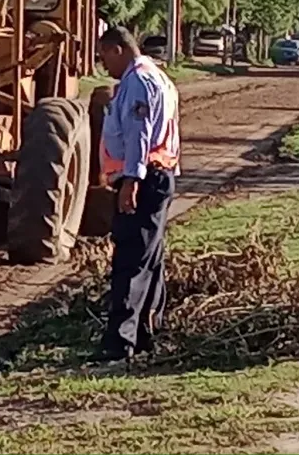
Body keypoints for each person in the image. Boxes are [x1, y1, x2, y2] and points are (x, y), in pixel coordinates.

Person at [92, 26, 181, 362]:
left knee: (130, 260)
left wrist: (131, 181)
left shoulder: (138, 81)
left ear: (118, 49)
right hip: (158, 176)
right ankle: (145, 334)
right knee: (150, 259)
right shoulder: (158, 77)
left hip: (142, 180)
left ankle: (119, 343)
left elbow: (138, 134)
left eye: (104, 56)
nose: (103, 66)